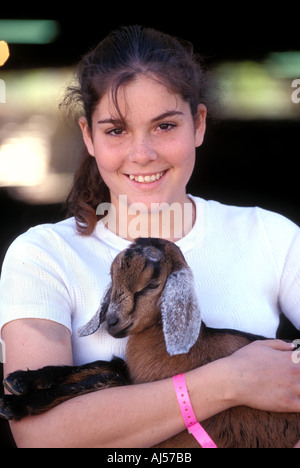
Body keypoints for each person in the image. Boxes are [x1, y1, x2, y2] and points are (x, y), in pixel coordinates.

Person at [1, 25, 300, 448]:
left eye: (164, 126)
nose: (142, 154)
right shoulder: (43, 255)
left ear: (198, 125)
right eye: (116, 130)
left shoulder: (271, 236)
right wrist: (232, 381)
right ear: (88, 136)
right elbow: (40, 436)